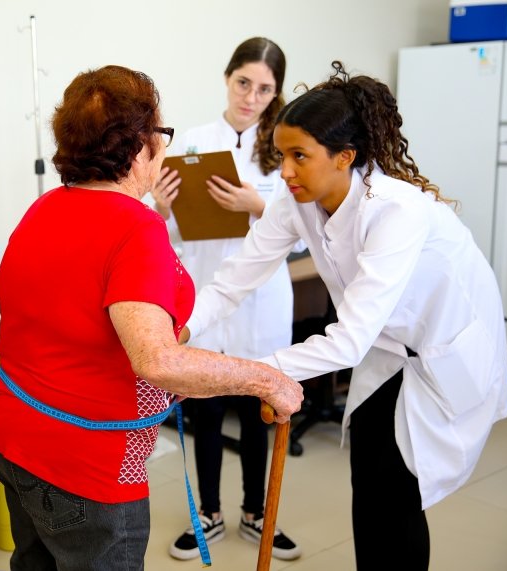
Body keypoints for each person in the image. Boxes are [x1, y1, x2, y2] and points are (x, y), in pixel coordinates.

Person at [185, 61, 507, 570]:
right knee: (369, 483)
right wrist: (180, 334)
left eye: (299, 156)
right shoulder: (296, 199)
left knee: (400, 493)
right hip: (387, 349)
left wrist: (232, 375)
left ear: (345, 157)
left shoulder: (394, 212)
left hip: (443, 354)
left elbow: (347, 340)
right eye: (281, 155)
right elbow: (234, 279)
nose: (285, 171)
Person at [0, 64, 303, 571]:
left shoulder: (45, 208)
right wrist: (266, 379)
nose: (165, 148)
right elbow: (155, 361)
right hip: (83, 464)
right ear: (137, 147)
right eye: (161, 135)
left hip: (11, 437)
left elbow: (78, 324)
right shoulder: (136, 228)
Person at [150, 37, 301, 561]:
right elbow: (167, 239)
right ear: (227, 77)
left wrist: (257, 203)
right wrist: (162, 206)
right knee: (207, 410)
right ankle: (208, 513)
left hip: (262, 301)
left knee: (260, 408)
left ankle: (256, 513)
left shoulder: (285, 148)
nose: (251, 98)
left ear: (275, 93)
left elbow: (303, 233)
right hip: (206, 296)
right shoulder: (193, 142)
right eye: (244, 83)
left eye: (264, 89)